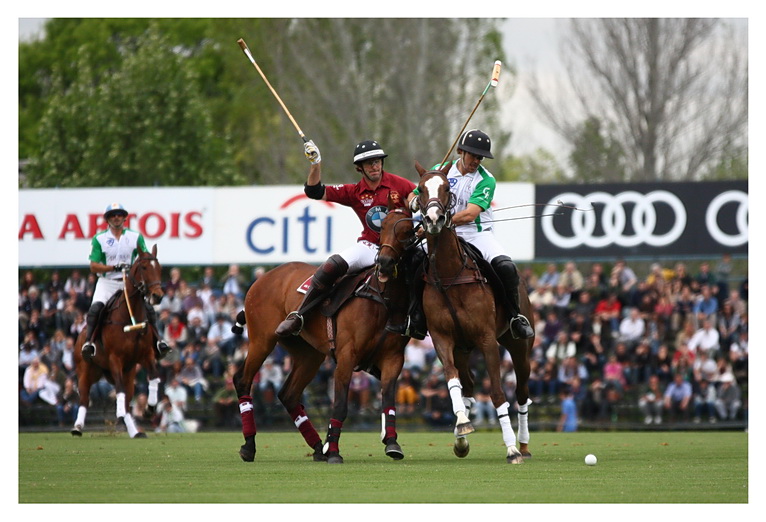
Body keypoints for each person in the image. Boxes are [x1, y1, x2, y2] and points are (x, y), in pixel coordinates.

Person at [275, 139, 418, 338]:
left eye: (377, 162)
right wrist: (316, 164)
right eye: (369, 164)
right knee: (333, 265)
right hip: (371, 247)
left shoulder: (398, 184)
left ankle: (418, 320)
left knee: (426, 265)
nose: (374, 167)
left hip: (401, 248)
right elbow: (314, 191)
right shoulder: (354, 192)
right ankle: (300, 315)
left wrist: (415, 200)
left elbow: (418, 194)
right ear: (360, 168)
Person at [411, 130, 534, 339]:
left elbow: (470, 214)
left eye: (480, 157)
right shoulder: (440, 170)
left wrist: (441, 222)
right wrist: (415, 202)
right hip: (440, 233)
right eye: (472, 155)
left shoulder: (486, 180)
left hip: (476, 234)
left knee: (506, 267)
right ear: (460, 151)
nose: (476, 161)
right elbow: (413, 195)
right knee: (412, 260)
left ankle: (514, 316)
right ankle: (414, 315)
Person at [81, 203, 169, 359]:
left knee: (148, 308)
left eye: (119, 215)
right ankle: (89, 343)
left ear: (124, 218)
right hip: (107, 282)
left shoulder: (135, 237)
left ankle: (159, 341)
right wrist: (113, 267)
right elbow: (93, 266)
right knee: (95, 309)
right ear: (108, 219)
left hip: (129, 282)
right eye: (113, 215)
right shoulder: (99, 239)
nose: (116, 218)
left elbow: (145, 257)